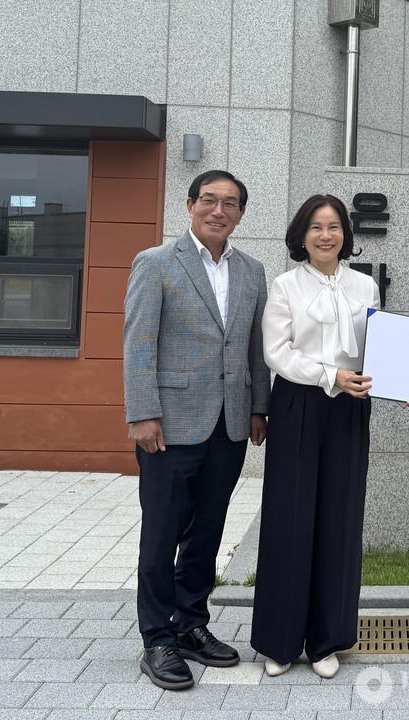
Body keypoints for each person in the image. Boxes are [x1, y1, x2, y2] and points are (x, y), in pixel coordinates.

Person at [123, 169, 270, 690]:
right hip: (169, 425)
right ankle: (157, 640)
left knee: (206, 533)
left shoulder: (252, 272)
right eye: (209, 199)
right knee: (161, 535)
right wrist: (141, 412)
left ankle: (191, 625)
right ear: (189, 205)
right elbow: (138, 343)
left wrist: (259, 408)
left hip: (229, 426)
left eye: (230, 203)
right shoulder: (157, 263)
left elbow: (253, 347)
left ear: (241, 214)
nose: (219, 210)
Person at [251, 194, 380, 680]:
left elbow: (377, 349)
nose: (325, 235)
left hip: (350, 409)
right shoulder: (285, 286)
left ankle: (327, 639)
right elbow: (275, 352)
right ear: (301, 235)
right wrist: (330, 376)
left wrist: (403, 380)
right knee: (290, 517)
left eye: (334, 226)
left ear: (345, 233)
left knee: (340, 517)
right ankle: (280, 641)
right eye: (316, 227)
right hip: (298, 405)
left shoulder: (365, 286)